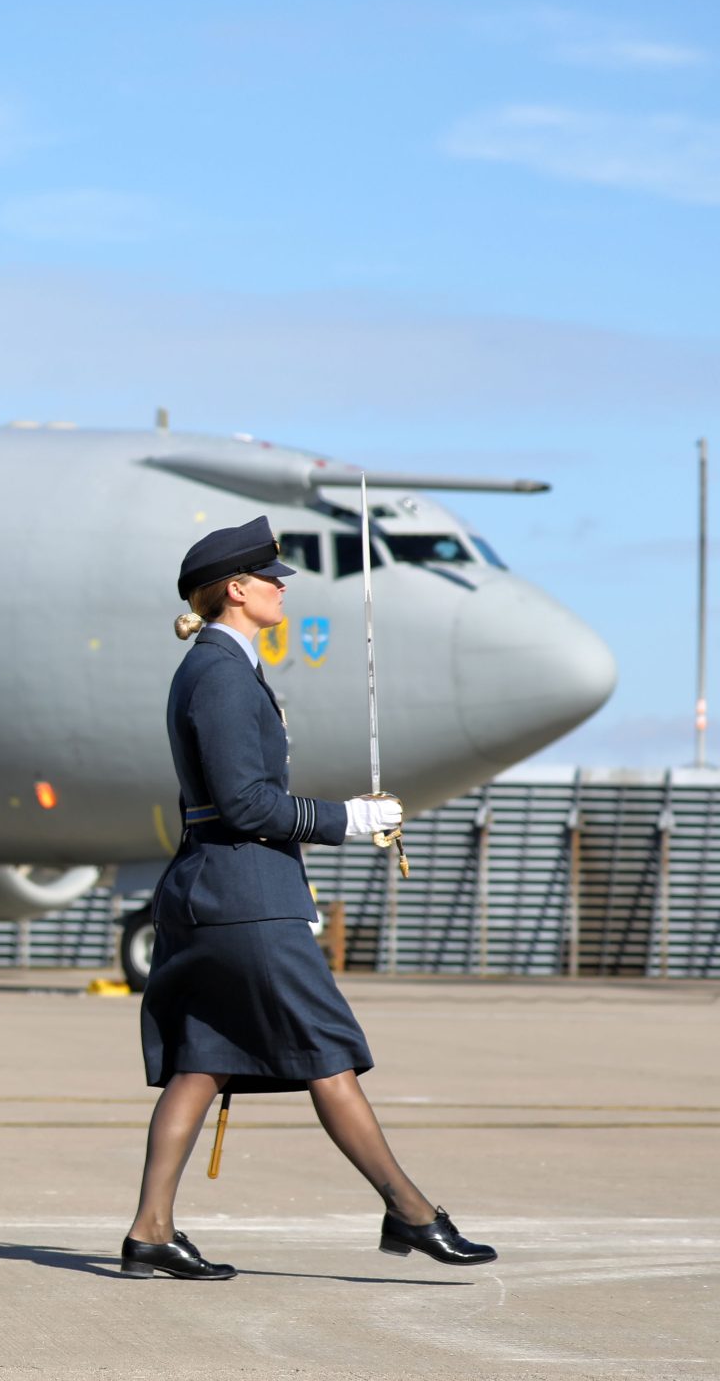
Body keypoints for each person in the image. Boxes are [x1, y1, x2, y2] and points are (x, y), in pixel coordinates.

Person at [123, 517, 496, 1280]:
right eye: (271, 577)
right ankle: (412, 1213)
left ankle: (150, 1233)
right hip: (244, 898)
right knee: (329, 1055)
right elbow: (246, 805)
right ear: (236, 590)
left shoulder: (218, 667)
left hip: (218, 892)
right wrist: (350, 819)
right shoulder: (222, 676)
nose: (282, 586)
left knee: (202, 1061)